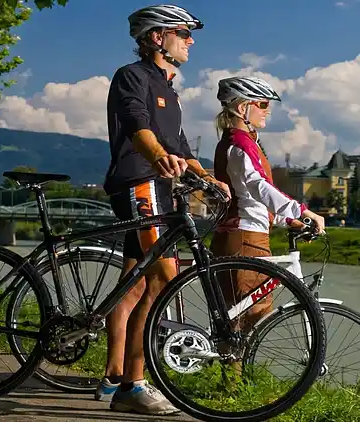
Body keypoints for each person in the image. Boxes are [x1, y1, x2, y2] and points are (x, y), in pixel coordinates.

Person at [99, 4, 229, 415]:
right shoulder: (132, 76)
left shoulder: (168, 87)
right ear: (158, 37)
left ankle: (113, 374)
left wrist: (205, 177)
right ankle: (133, 387)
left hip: (158, 184)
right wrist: (158, 158)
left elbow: (180, 148)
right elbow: (139, 130)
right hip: (141, 183)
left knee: (135, 283)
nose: (191, 40)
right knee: (163, 282)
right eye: (183, 33)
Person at [209, 76, 325, 334]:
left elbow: (250, 198)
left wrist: (289, 221)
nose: (268, 110)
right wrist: (302, 210)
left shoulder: (235, 142)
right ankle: (238, 374)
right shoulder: (240, 143)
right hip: (246, 240)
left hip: (240, 235)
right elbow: (257, 187)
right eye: (262, 104)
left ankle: (232, 374)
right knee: (253, 318)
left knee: (237, 323)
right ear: (242, 108)